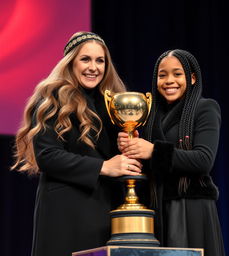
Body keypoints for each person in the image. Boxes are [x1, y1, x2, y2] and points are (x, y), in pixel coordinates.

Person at [11, 31, 142, 256]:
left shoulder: (112, 103)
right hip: (65, 213)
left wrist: (127, 143)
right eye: (85, 59)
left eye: (100, 61)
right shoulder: (51, 98)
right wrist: (104, 167)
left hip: (106, 209)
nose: (94, 67)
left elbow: (116, 159)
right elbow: (47, 156)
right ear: (70, 62)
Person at [118, 49, 225, 256]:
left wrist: (153, 150)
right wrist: (130, 145)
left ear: (192, 78)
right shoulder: (150, 116)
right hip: (155, 208)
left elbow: (203, 160)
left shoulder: (205, 108)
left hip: (190, 209)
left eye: (177, 74)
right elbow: (147, 163)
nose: (169, 81)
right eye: (162, 75)